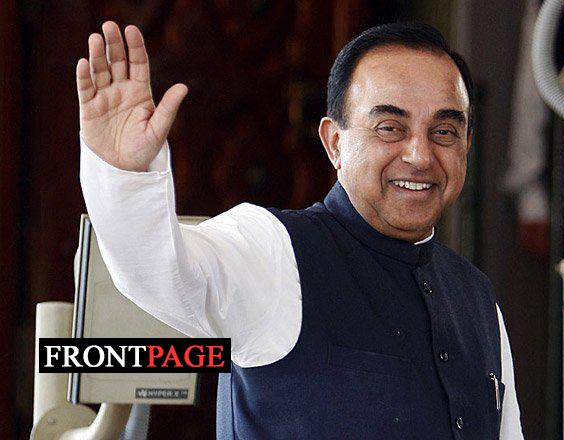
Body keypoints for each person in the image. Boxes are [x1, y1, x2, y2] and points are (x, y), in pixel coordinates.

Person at [77, 20, 524, 439]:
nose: (420, 156)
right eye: (390, 128)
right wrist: (126, 175)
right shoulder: (272, 249)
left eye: (443, 132)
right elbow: (159, 274)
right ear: (334, 142)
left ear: (466, 146)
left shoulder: (476, 296)